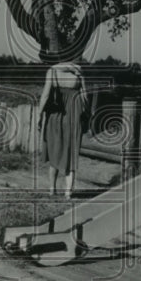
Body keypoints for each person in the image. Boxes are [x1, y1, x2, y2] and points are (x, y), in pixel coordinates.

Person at [37, 54, 89, 199]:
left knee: (54, 149)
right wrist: (87, 116)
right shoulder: (79, 71)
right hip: (74, 112)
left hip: (56, 114)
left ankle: (52, 189)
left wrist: (39, 115)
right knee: (71, 152)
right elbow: (85, 96)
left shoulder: (52, 71)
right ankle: (68, 192)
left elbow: (46, 95)